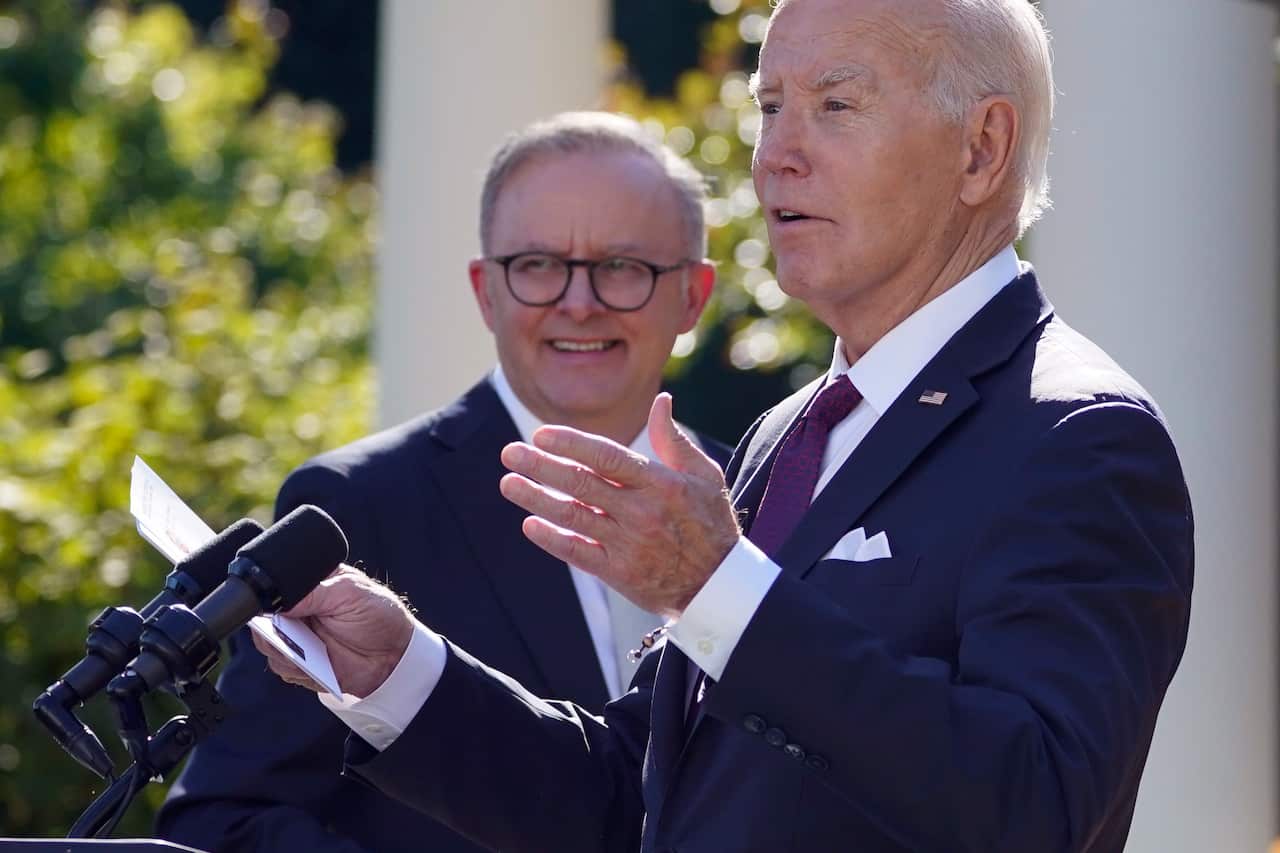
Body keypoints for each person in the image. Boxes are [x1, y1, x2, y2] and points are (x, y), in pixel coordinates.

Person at [258, 1, 1195, 850]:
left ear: (982, 149)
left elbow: (1034, 809)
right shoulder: (787, 433)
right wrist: (398, 672)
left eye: (836, 105)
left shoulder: (1077, 436)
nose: (777, 152)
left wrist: (722, 590)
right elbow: (636, 798)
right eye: (770, 104)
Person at [154, 111, 726, 853]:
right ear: (486, 291)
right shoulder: (357, 506)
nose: (578, 302)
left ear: (694, 295)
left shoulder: (765, 494)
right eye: (539, 265)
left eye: (622, 267)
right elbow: (222, 821)